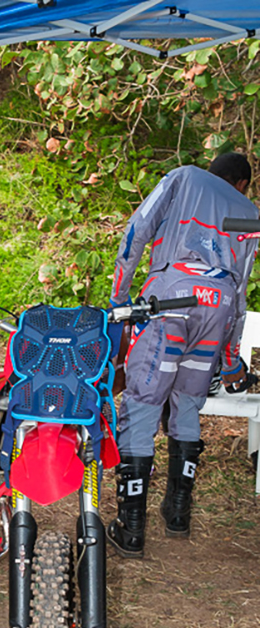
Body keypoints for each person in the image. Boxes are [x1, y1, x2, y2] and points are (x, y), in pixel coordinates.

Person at [107, 152, 258, 558]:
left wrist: (119, 299)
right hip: (219, 306)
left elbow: (137, 230)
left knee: (143, 402)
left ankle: (131, 528)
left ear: (213, 171)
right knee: (188, 404)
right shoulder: (249, 212)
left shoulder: (184, 177)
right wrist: (231, 362)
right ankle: (178, 514)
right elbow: (240, 292)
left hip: (170, 298)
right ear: (242, 184)